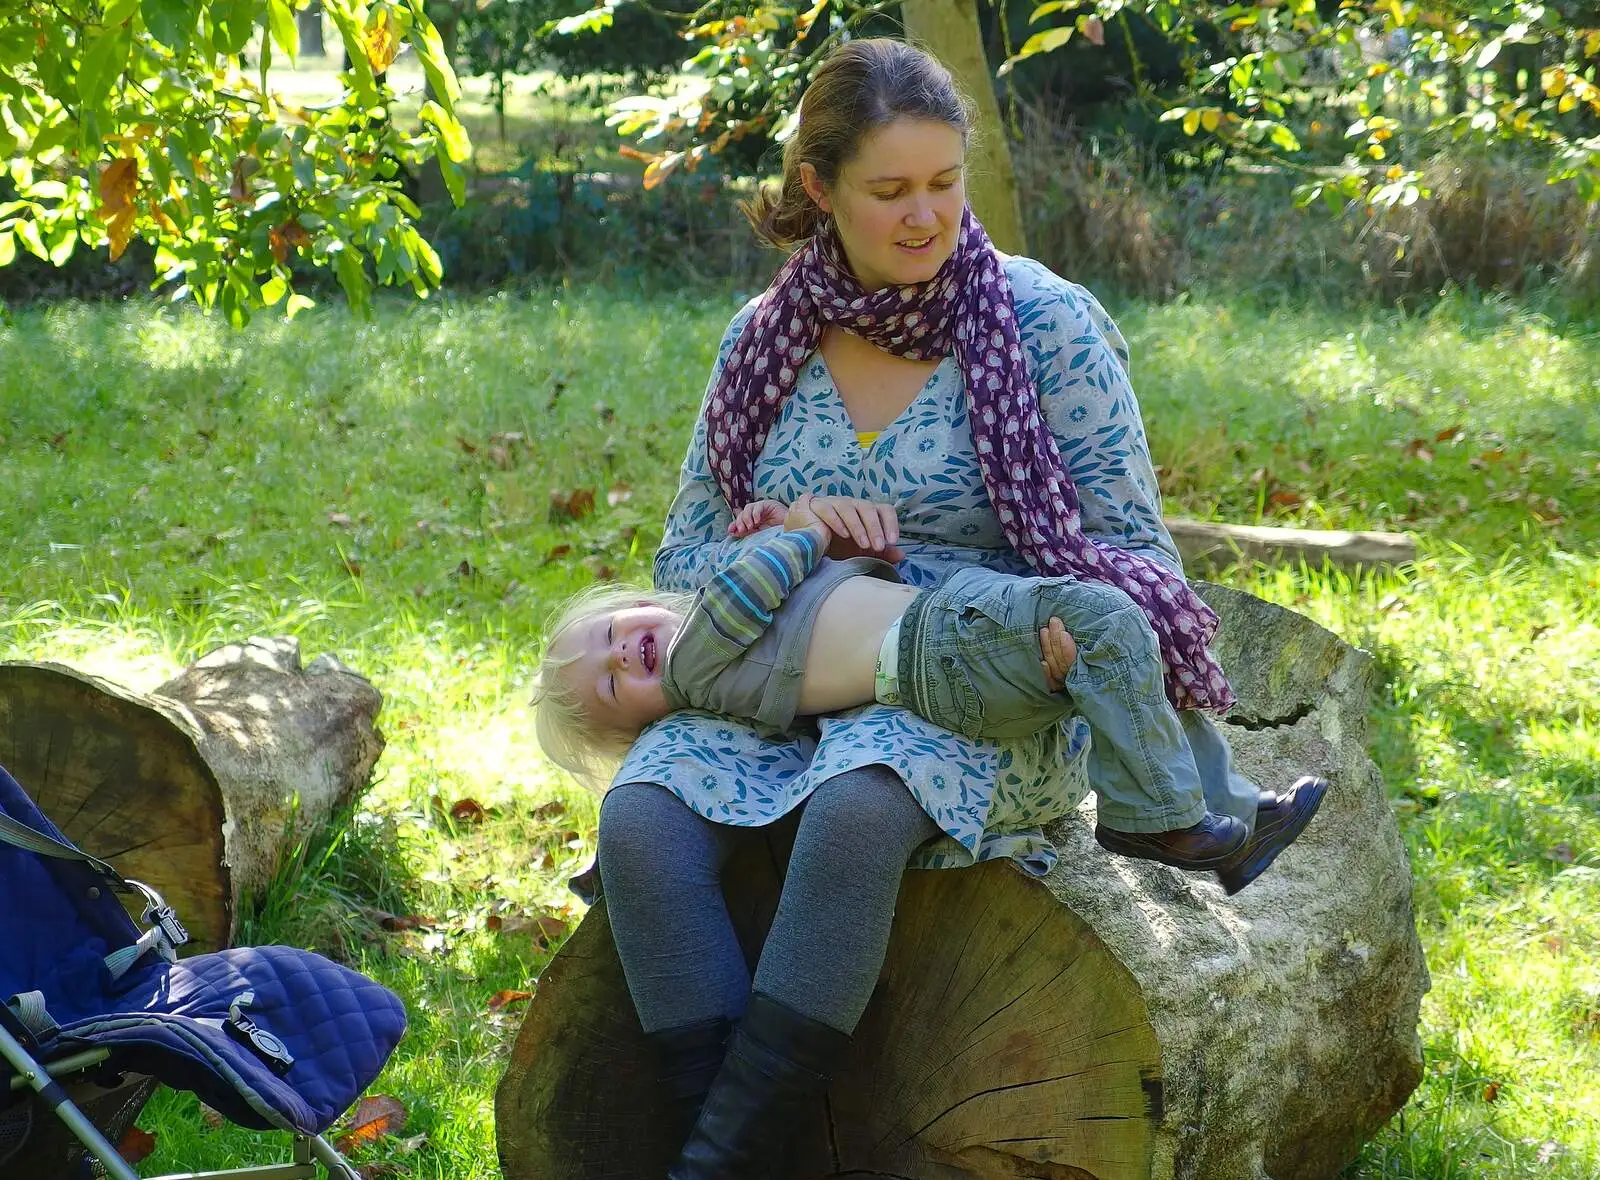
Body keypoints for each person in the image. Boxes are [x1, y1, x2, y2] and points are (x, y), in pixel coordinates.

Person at [569, 36, 1328, 1180]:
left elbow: (1130, 546)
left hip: (980, 683)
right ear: (818, 190)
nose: (923, 216)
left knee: (865, 800)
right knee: (638, 820)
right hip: (775, 666)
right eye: (889, 191)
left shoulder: (1046, 325)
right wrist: (795, 525)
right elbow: (681, 559)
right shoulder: (760, 343)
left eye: (943, 182)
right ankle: (726, 1146)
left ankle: (720, 1162)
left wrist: (1086, 617)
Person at [534, 491, 1251, 869]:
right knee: (1107, 614)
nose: (621, 654)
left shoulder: (727, 647)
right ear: (649, 722)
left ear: (636, 605)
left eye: (608, 633)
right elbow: (747, 590)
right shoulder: (698, 659)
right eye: (609, 684)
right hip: (940, 646)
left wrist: (768, 521)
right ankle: (1156, 818)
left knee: (1098, 641)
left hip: (952, 650)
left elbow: (766, 590)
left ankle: (1197, 806)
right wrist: (804, 531)